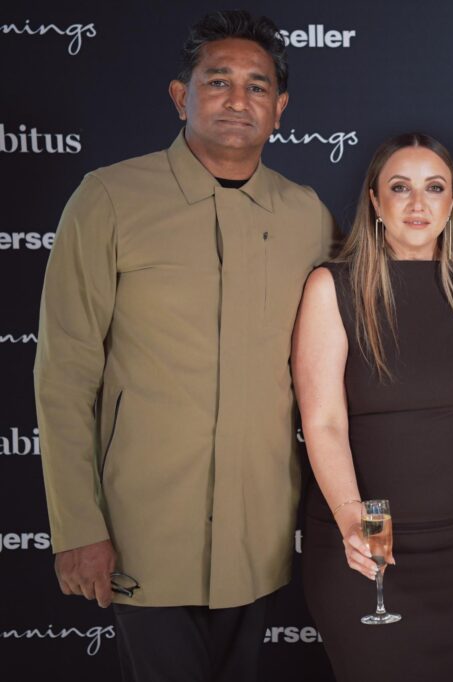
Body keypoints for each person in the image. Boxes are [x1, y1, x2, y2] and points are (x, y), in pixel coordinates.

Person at [33, 10, 335, 682]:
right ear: (180, 96)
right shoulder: (108, 199)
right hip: (143, 530)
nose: (238, 99)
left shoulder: (308, 215)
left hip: (258, 532)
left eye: (257, 86)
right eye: (218, 81)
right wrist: (78, 526)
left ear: (280, 109)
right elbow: (64, 373)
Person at [293, 132, 453, 681]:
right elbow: (322, 422)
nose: (418, 203)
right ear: (375, 200)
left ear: (452, 200)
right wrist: (352, 520)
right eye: (400, 187)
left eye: (434, 188)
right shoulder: (332, 287)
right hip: (367, 538)